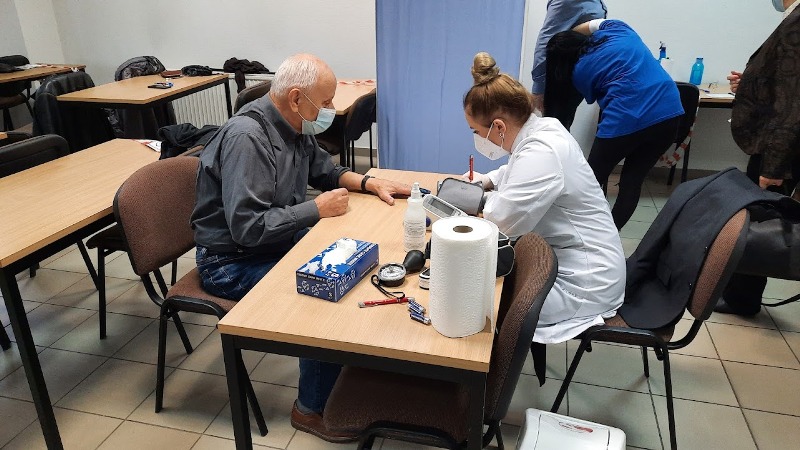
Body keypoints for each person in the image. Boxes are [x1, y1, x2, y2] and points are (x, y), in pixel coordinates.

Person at [191, 53, 410, 442]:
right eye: (325, 102)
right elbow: (247, 229)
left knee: (355, 263)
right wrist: (314, 210)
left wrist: (369, 182)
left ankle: (342, 369)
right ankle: (311, 408)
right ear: (296, 98)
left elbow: (325, 170)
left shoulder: (293, 124)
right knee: (320, 293)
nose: (330, 109)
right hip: (230, 261)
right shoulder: (248, 139)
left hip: (270, 241)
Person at [464, 51, 625, 345]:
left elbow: (502, 222)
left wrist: (473, 202)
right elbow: (517, 169)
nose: (477, 138)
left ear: (498, 126)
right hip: (567, 257)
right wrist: (487, 180)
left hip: (585, 281)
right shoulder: (542, 128)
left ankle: (485, 368)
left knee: (485, 304)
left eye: (476, 131)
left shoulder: (543, 150)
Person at [545, 19, 684, 229]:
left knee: (591, 180)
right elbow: (591, 25)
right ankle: (611, 235)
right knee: (632, 181)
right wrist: (570, 32)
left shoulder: (579, 71)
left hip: (626, 118)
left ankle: (587, 232)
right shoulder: (618, 29)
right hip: (670, 112)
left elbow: (590, 97)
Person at [716, 0, 800, 316]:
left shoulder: (798, 21)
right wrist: (751, 84)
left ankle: (742, 298)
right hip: (780, 146)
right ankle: (742, 294)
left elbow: (793, 102)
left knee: (758, 219)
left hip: (778, 151)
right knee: (757, 216)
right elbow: (784, 84)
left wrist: (774, 165)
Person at [531, 0, 607, 128]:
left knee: (561, 127)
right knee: (555, 128)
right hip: (561, 74)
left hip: (578, 72)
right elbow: (546, 39)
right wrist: (539, 86)